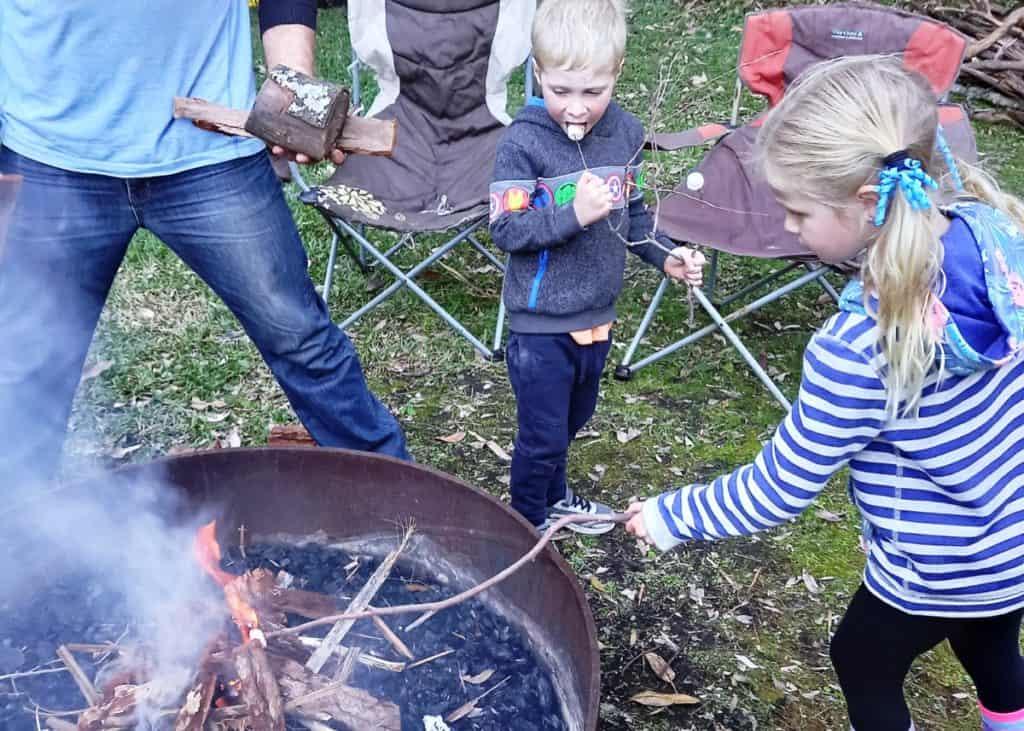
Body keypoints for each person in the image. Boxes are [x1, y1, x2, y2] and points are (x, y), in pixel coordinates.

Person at [626, 55, 1024, 731]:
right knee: (990, 645)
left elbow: (777, 487)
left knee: (861, 661)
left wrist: (669, 516)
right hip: (1011, 541)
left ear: (868, 202)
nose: (788, 228)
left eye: (798, 211)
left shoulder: (860, 347)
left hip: (937, 567)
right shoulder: (996, 239)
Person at [0, 0, 410, 488]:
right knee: (28, 363)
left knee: (299, 339)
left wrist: (293, 88)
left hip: (212, 153)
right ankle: (17, 521)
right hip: (48, 156)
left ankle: (401, 501)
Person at [489, 0, 704, 534]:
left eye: (593, 91)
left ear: (617, 73)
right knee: (541, 437)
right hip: (541, 327)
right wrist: (573, 215)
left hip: (597, 317)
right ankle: (524, 526)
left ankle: (554, 497)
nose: (577, 108)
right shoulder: (523, 143)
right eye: (561, 91)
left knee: (572, 420)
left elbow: (634, 216)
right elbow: (507, 229)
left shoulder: (625, 134)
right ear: (538, 73)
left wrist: (667, 255)